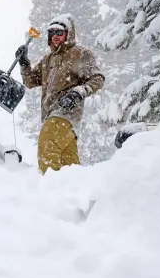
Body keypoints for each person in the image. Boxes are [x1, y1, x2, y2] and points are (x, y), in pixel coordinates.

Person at [15, 14, 105, 174]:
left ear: (68, 33)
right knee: (69, 166)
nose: (55, 36)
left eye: (59, 32)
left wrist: (78, 93)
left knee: (47, 145)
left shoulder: (79, 53)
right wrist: (24, 63)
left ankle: (50, 191)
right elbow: (30, 82)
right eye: (52, 33)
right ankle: (77, 195)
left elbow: (97, 78)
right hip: (53, 116)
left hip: (66, 113)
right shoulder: (48, 59)